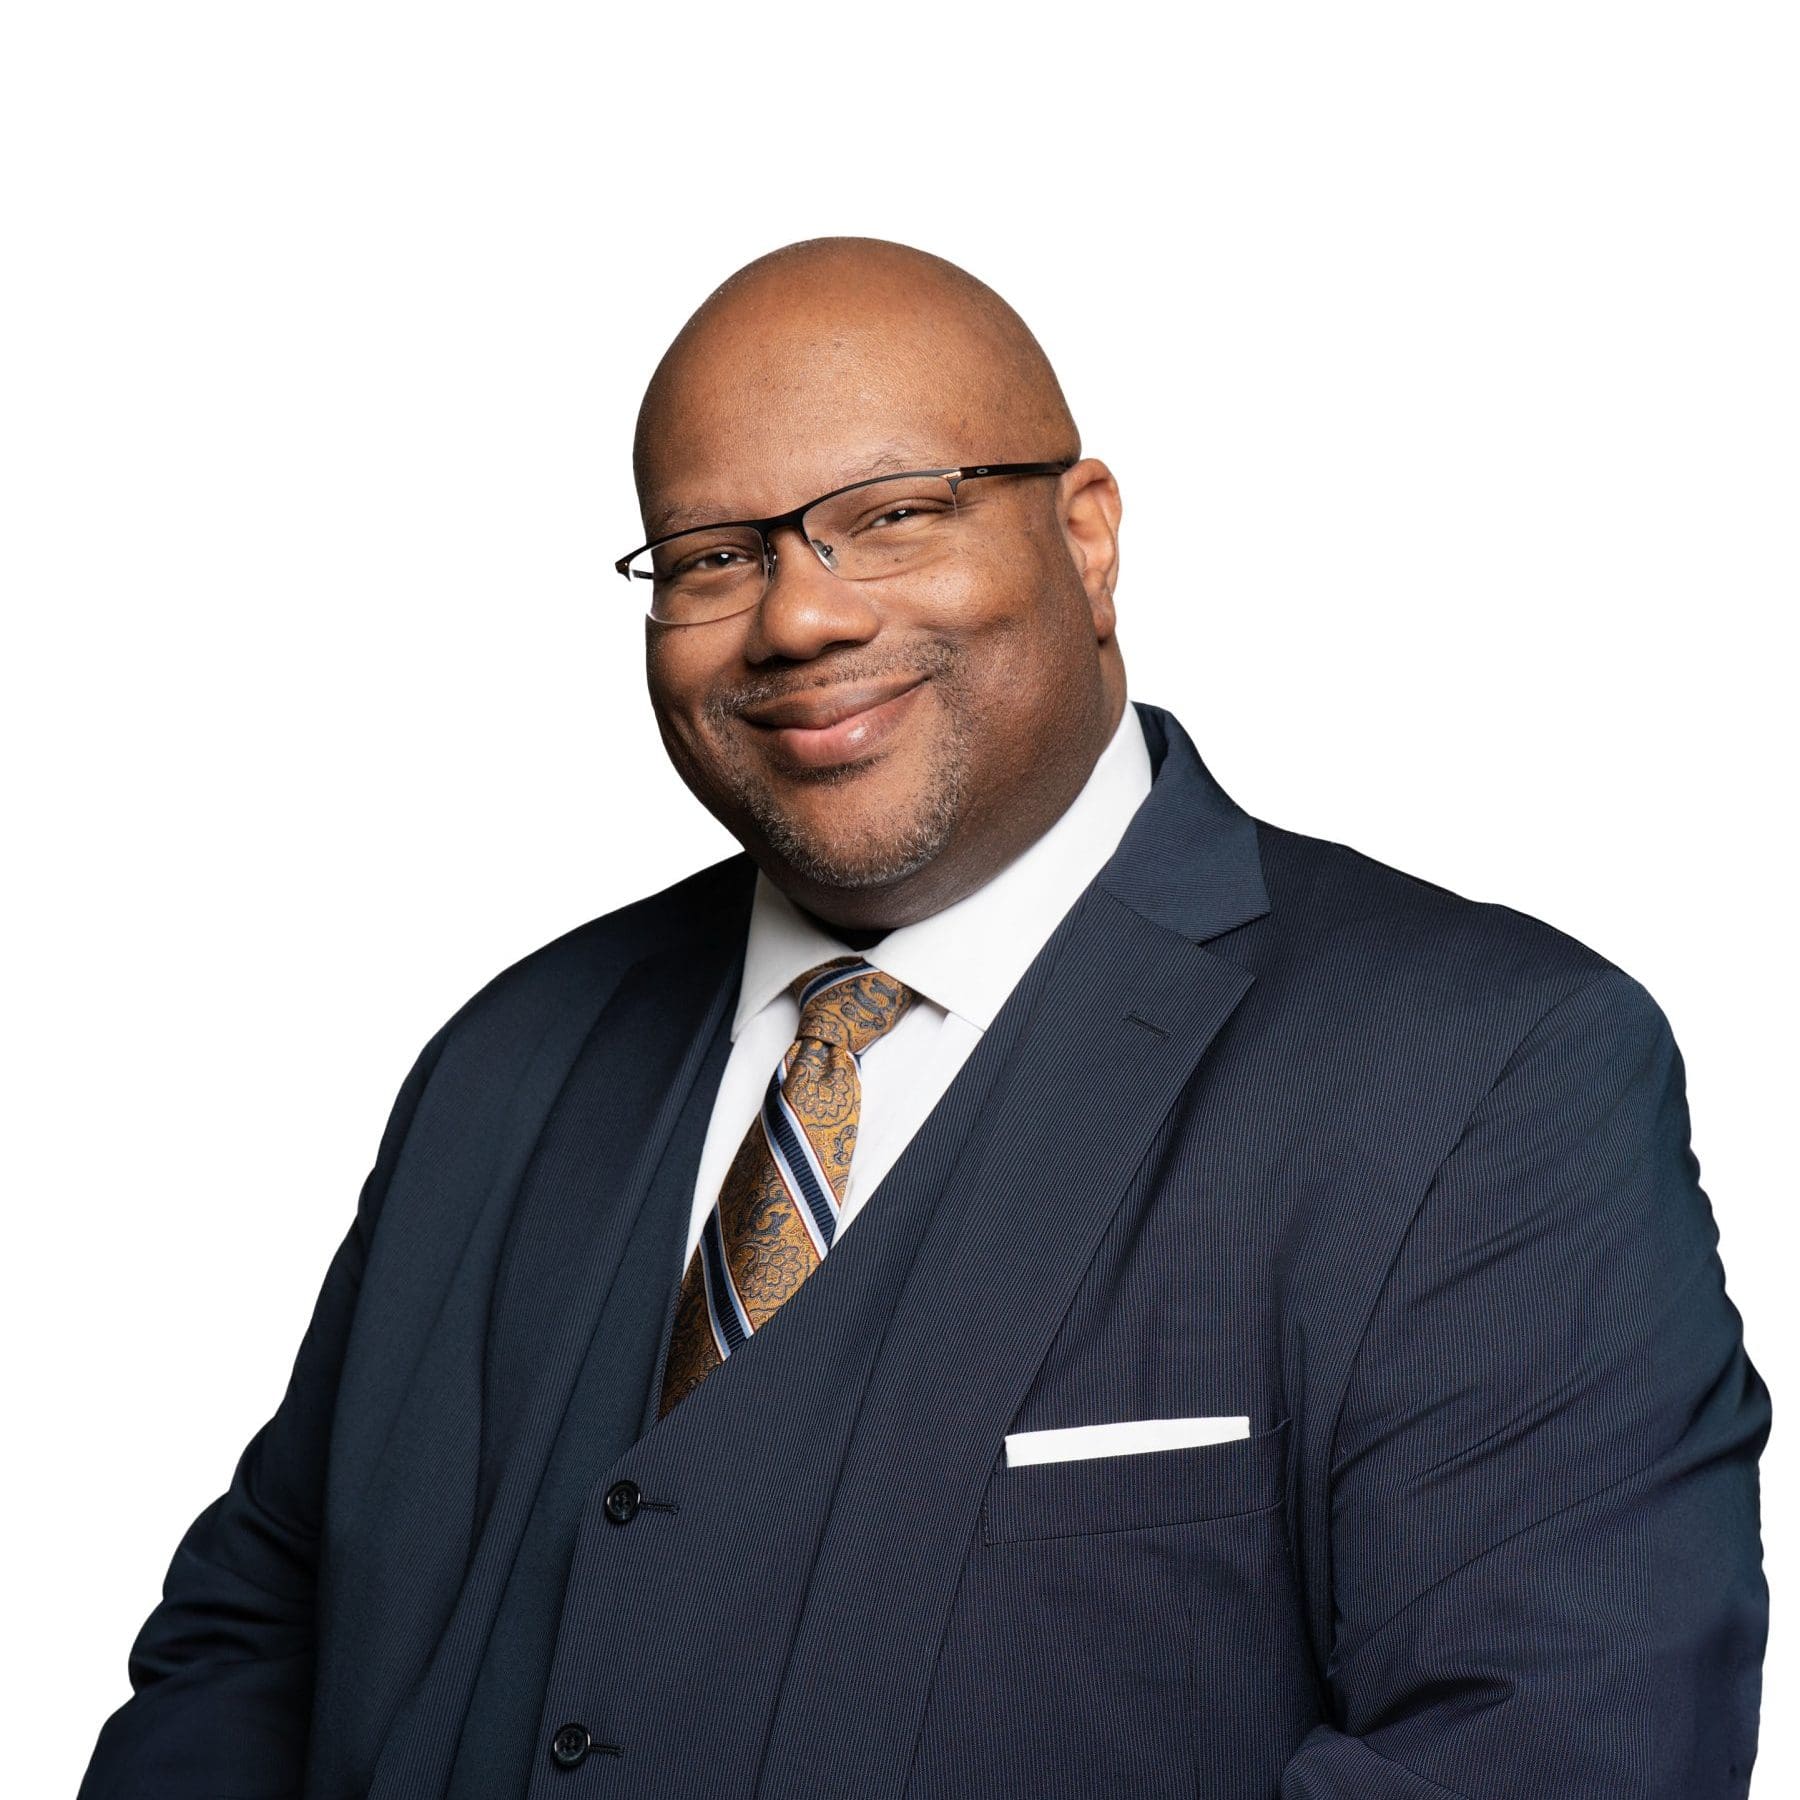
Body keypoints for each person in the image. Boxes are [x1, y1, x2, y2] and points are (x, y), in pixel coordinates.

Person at [79, 237, 1770, 1800]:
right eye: (711, 556)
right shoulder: (504, 1061)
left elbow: (1547, 1753)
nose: (801, 616)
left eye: (890, 513)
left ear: (1086, 535)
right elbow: (258, 1647)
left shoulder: (1482, 1069)